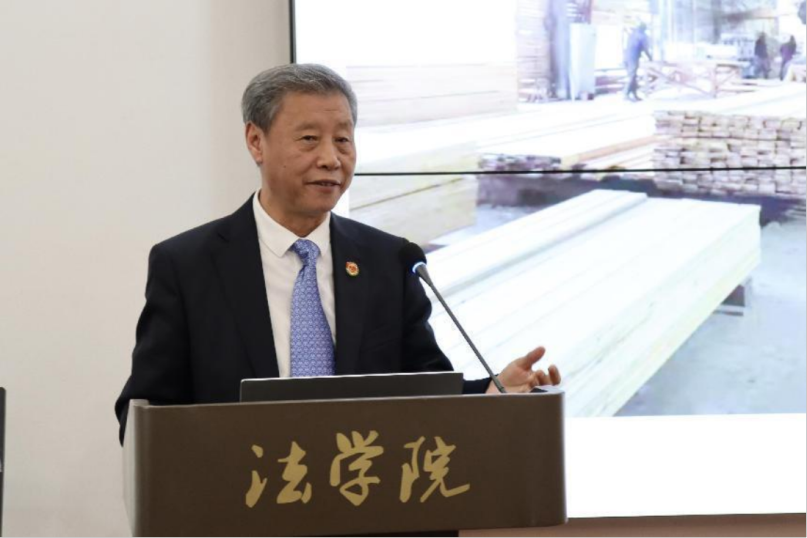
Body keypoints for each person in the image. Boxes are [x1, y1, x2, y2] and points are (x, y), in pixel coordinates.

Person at [114, 64, 562, 444]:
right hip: (241, 500)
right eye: (309, 139)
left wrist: (491, 392)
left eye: (343, 140)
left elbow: (425, 391)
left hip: (366, 494)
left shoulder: (390, 261)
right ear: (255, 141)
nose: (331, 158)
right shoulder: (188, 265)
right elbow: (146, 413)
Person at [624, 23, 653, 102]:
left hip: (626, 56)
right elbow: (645, 49)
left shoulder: (632, 34)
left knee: (633, 76)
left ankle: (634, 94)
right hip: (633, 58)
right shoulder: (642, 36)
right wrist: (650, 58)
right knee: (632, 76)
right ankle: (625, 94)